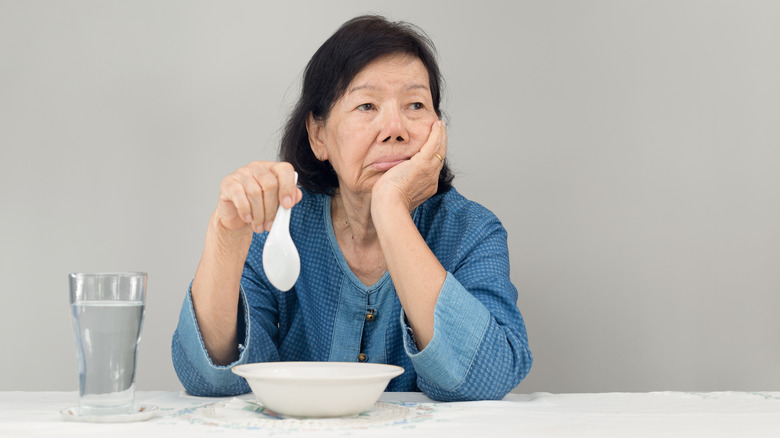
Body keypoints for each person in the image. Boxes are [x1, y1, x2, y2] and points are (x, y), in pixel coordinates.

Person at [172, 14, 532, 402]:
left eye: (415, 104)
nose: (395, 129)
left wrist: (391, 208)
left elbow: (486, 379)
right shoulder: (278, 227)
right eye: (366, 105)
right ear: (318, 135)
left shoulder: (471, 231)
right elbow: (213, 380)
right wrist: (226, 238)